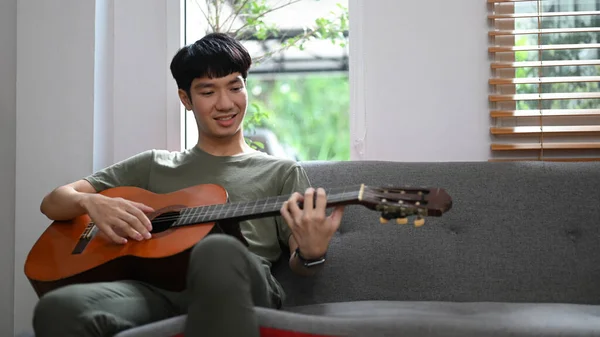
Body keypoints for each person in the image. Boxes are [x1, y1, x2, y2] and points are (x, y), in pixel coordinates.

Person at [32, 32, 345, 337]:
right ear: (186, 98)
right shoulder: (154, 165)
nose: (225, 103)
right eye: (208, 92)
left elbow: (302, 262)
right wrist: (92, 202)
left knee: (217, 248)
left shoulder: (281, 171)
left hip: (237, 283)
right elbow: (54, 202)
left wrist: (310, 253)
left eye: (235, 87)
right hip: (158, 289)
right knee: (58, 307)